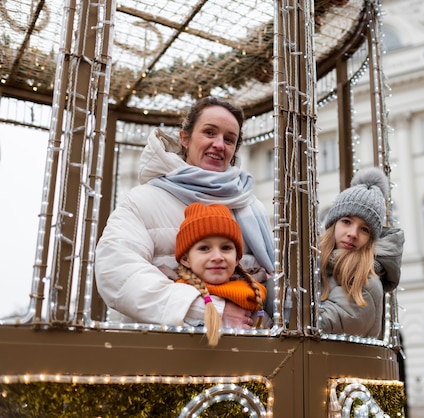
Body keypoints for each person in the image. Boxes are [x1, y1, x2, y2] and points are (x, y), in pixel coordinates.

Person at [95, 97, 274, 328]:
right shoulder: (142, 200)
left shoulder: (250, 206)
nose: (219, 144)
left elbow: (269, 276)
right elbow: (117, 274)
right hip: (170, 351)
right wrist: (213, 310)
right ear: (185, 138)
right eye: (210, 133)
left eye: (229, 139)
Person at [318, 167, 400, 338]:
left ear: (371, 240)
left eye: (364, 229)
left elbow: (321, 323)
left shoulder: (367, 282)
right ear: (334, 224)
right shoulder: (316, 264)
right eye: (347, 221)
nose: (353, 234)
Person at [174, 203, 267, 346]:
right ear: (186, 259)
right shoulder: (178, 299)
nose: (217, 257)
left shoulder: (252, 297)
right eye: (204, 248)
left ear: (237, 259)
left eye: (226, 248)